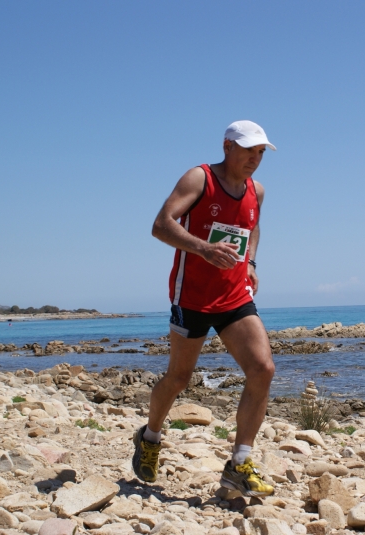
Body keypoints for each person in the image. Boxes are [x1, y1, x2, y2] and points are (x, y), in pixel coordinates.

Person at [132, 120, 277, 497]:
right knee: (179, 379)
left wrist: (251, 264)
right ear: (227, 146)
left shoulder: (256, 191)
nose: (255, 159)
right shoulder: (199, 179)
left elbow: (253, 227)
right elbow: (160, 226)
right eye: (249, 150)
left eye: (261, 153)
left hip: (234, 297)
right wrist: (203, 249)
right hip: (191, 298)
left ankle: (239, 464)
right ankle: (150, 437)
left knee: (262, 369)